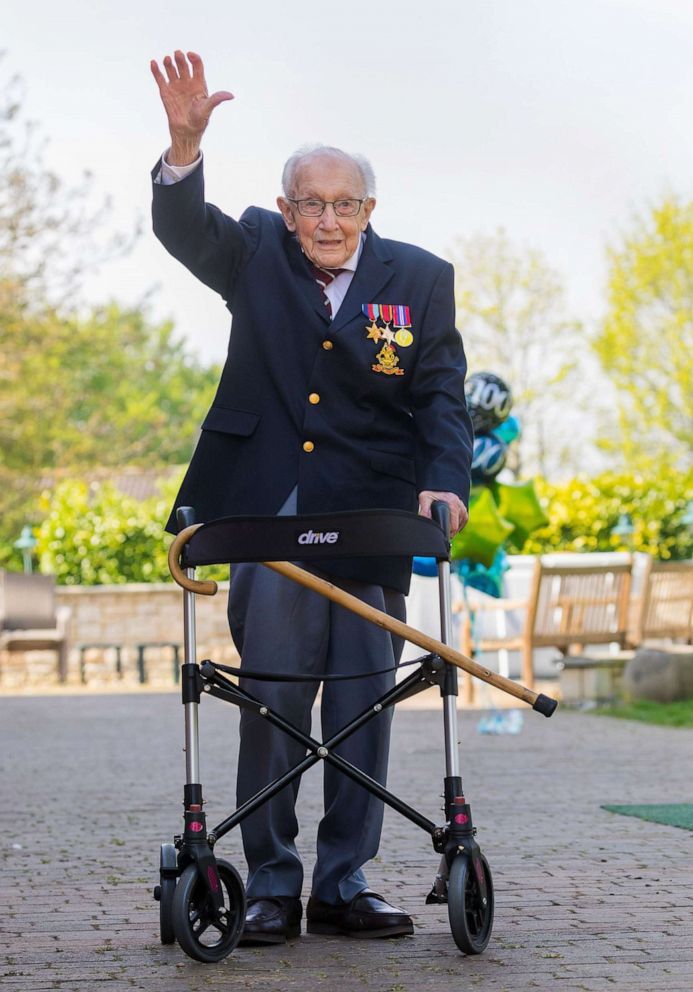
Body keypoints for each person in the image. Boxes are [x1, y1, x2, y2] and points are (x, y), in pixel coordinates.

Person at [151, 50, 474, 944]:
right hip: (269, 508)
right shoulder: (255, 250)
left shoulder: (418, 278)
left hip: (371, 511)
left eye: (345, 204)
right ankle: (269, 883)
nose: (327, 220)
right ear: (286, 207)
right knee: (277, 697)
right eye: (310, 203)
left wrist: (445, 482)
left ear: (369, 210)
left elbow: (439, 392)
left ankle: (344, 882)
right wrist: (182, 149)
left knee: (364, 697)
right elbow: (184, 231)